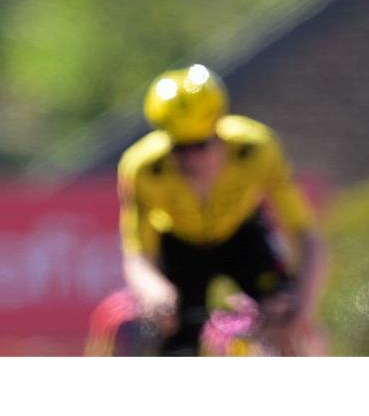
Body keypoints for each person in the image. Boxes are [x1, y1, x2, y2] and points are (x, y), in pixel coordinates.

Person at [117, 64, 327, 356]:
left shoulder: (256, 149)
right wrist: (154, 291)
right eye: (179, 148)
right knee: (171, 332)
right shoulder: (142, 169)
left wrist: (302, 306)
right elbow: (137, 255)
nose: (191, 159)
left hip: (243, 236)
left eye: (201, 145)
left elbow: (306, 236)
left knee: (284, 314)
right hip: (180, 245)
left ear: (220, 129)